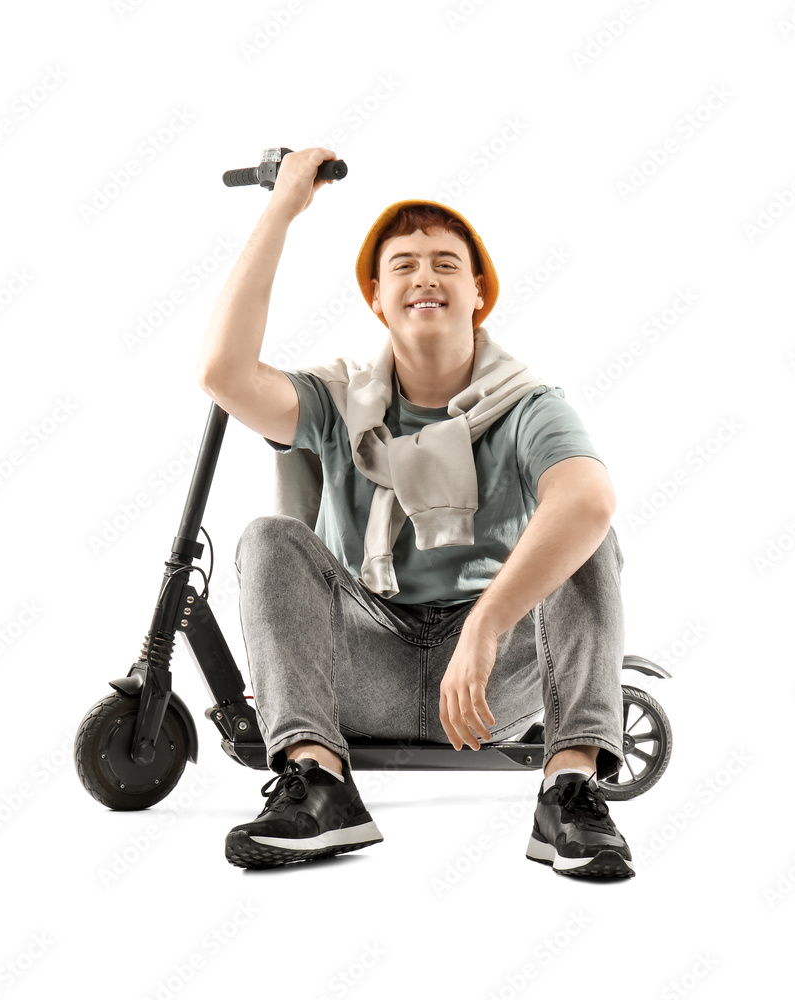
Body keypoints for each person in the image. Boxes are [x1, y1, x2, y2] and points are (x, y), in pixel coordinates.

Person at [196, 147, 634, 879]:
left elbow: (587, 498)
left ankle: (570, 791)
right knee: (269, 538)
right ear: (376, 296)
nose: (424, 276)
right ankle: (319, 786)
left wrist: (486, 627)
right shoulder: (335, 399)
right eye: (403, 265)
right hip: (362, 659)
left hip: (494, 675)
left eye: (445, 263)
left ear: (478, 292)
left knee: (587, 535)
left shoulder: (528, 407)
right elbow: (224, 374)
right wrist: (282, 208)